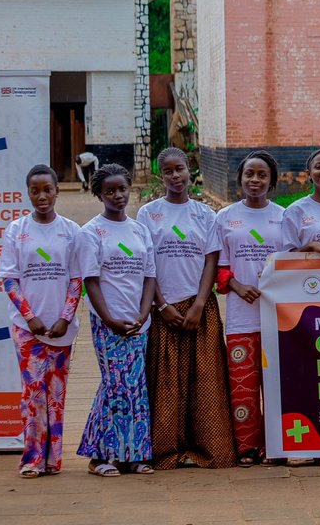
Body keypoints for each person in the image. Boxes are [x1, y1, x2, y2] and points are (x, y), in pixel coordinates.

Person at [138, 147, 235, 469]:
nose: (176, 176)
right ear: (160, 175)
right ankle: (167, 450)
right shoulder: (148, 214)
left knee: (204, 380)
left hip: (200, 308)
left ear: (189, 171)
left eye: (180, 169)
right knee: (166, 381)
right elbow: (146, 264)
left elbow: (211, 260)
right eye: (168, 171)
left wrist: (199, 303)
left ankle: (203, 449)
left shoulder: (205, 215)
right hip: (163, 307)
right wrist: (162, 304)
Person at [0, 164, 82, 478]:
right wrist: (30, 317)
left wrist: (64, 318)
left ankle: (53, 460)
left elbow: (77, 280)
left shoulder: (71, 231)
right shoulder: (16, 230)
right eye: (36, 190)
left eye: (48, 189)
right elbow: (9, 279)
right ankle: (33, 458)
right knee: (33, 394)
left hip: (61, 329)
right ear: (28, 193)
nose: (42, 196)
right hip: (27, 330)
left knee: (56, 395)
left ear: (57, 191)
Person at [76, 163, 156, 477]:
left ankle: (134, 456)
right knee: (116, 385)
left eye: (122, 189)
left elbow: (149, 276)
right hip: (107, 321)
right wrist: (109, 319)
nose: (118, 196)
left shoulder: (139, 230)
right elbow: (91, 281)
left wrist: (144, 312)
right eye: (110, 191)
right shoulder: (91, 232)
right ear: (99, 194)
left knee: (135, 387)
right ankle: (102, 457)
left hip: (138, 321)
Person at [209, 150, 286, 465]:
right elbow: (217, 268)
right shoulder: (225, 217)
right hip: (241, 317)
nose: (255, 180)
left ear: (272, 181)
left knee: (276, 385)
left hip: (279, 317)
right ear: (239, 179)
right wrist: (238, 287)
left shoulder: (284, 216)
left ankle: (276, 446)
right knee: (243, 386)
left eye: (262, 175)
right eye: (249, 175)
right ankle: (247, 448)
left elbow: (294, 263)